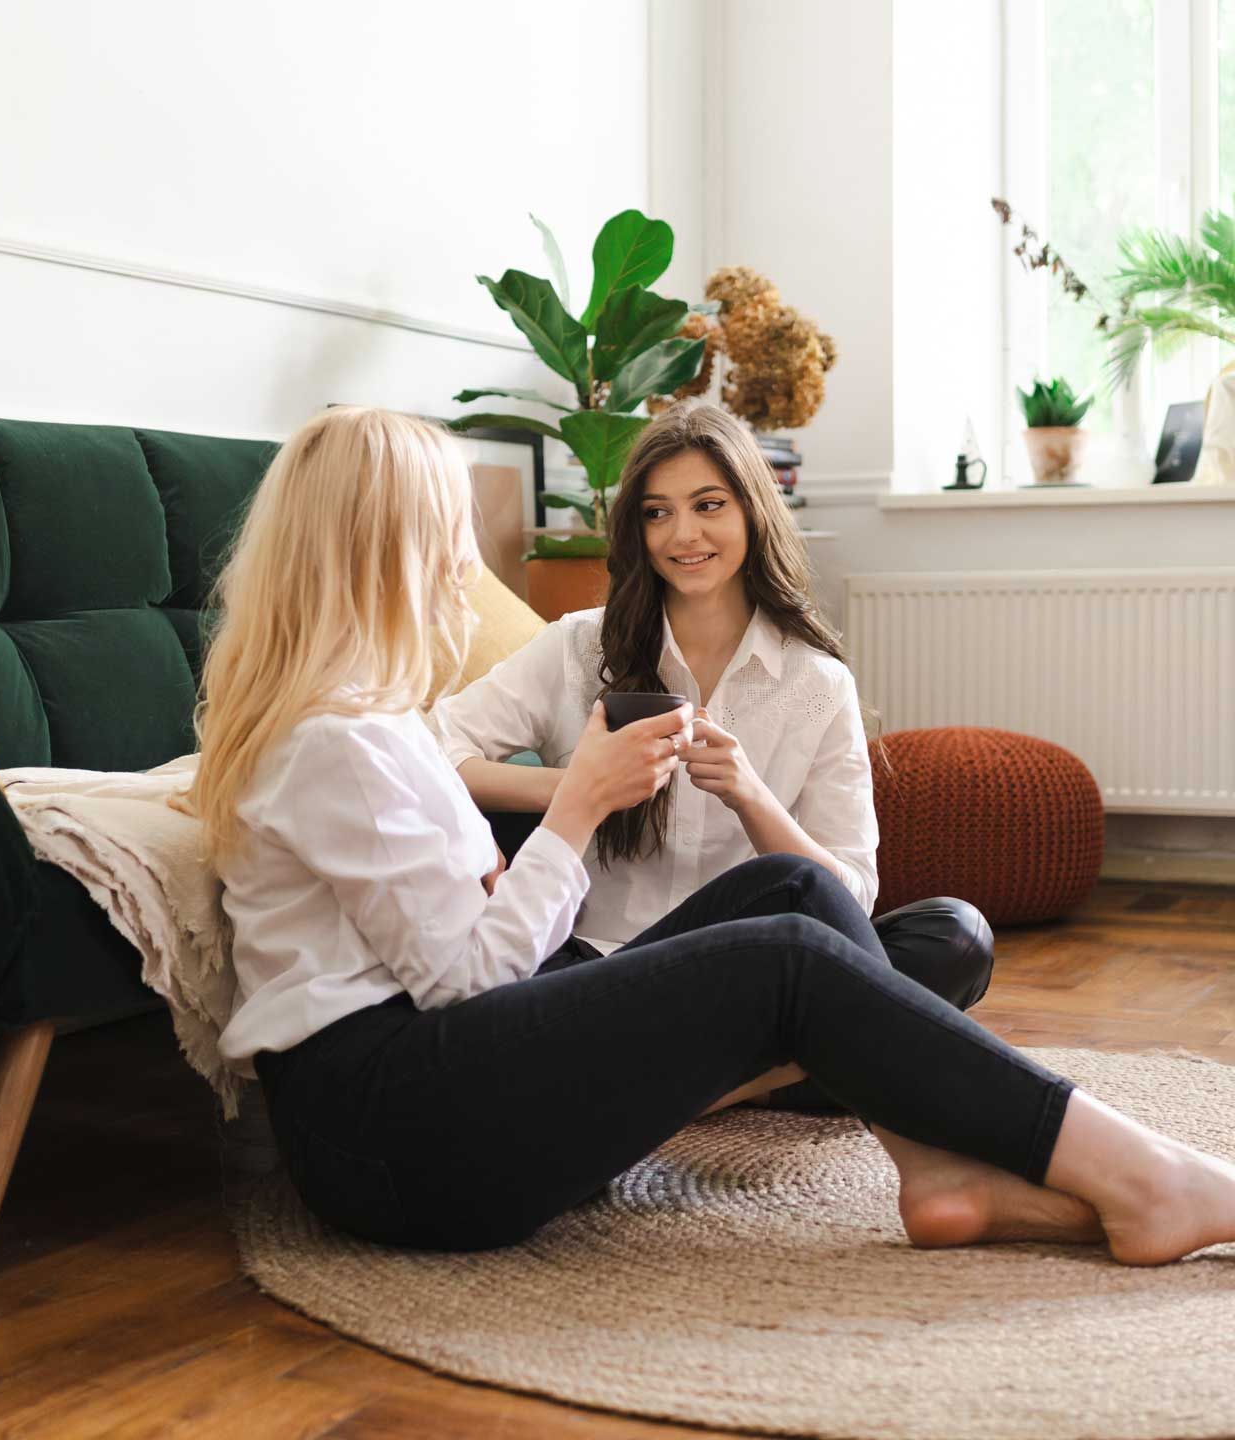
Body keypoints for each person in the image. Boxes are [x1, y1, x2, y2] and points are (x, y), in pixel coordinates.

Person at [196, 404, 1235, 1265]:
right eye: (446, 538)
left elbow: (474, 946)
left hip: (442, 1084)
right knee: (785, 962)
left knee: (797, 894)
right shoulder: (336, 741)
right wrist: (581, 801)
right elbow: (469, 983)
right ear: (386, 555)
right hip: (394, 1142)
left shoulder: (373, 722)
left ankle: (938, 1168)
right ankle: (1149, 1178)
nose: (463, 567)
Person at [430, 400, 987, 1109]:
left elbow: (848, 900)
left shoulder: (816, 684)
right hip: (586, 974)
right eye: (657, 512)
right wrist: (578, 787)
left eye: (708, 505)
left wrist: (750, 795)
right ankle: (774, 1074)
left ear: (752, 511)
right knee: (900, 1039)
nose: (682, 534)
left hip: (748, 981)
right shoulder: (578, 647)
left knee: (955, 938)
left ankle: (692, 1089)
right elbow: (430, 751)